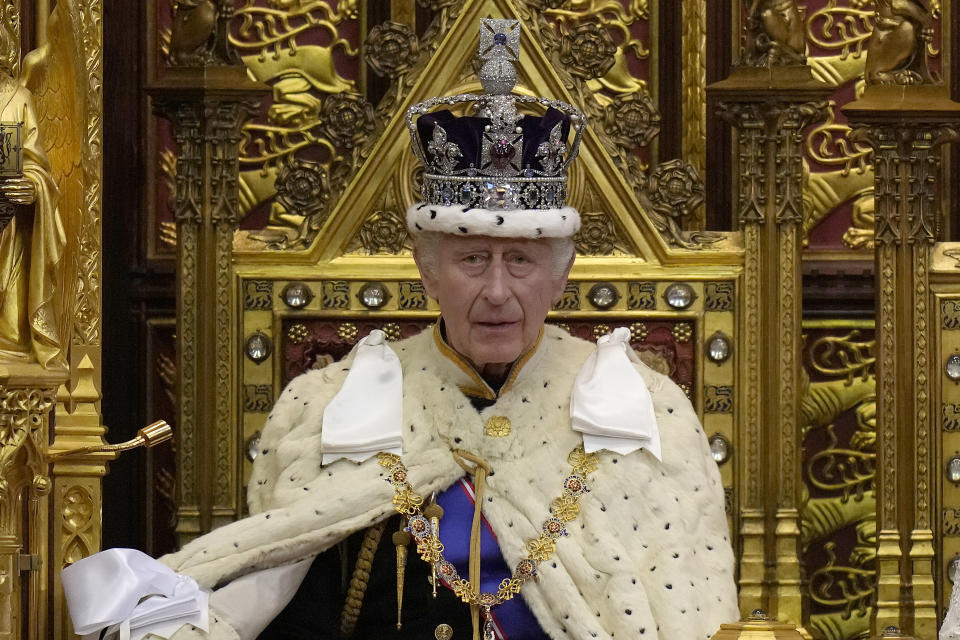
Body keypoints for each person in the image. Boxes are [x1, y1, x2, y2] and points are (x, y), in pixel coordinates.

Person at [64, 19, 738, 640]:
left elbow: (689, 603)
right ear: (427, 269)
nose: (497, 291)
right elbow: (272, 594)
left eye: (523, 261)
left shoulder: (644, 410)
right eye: (472, 259)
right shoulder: (329, 405)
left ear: (562, 276)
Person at [0, 23, 65, 369]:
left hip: (9, 228)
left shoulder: (17, 98)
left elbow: (37, 165)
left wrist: (32, 186)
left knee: (10, 336)